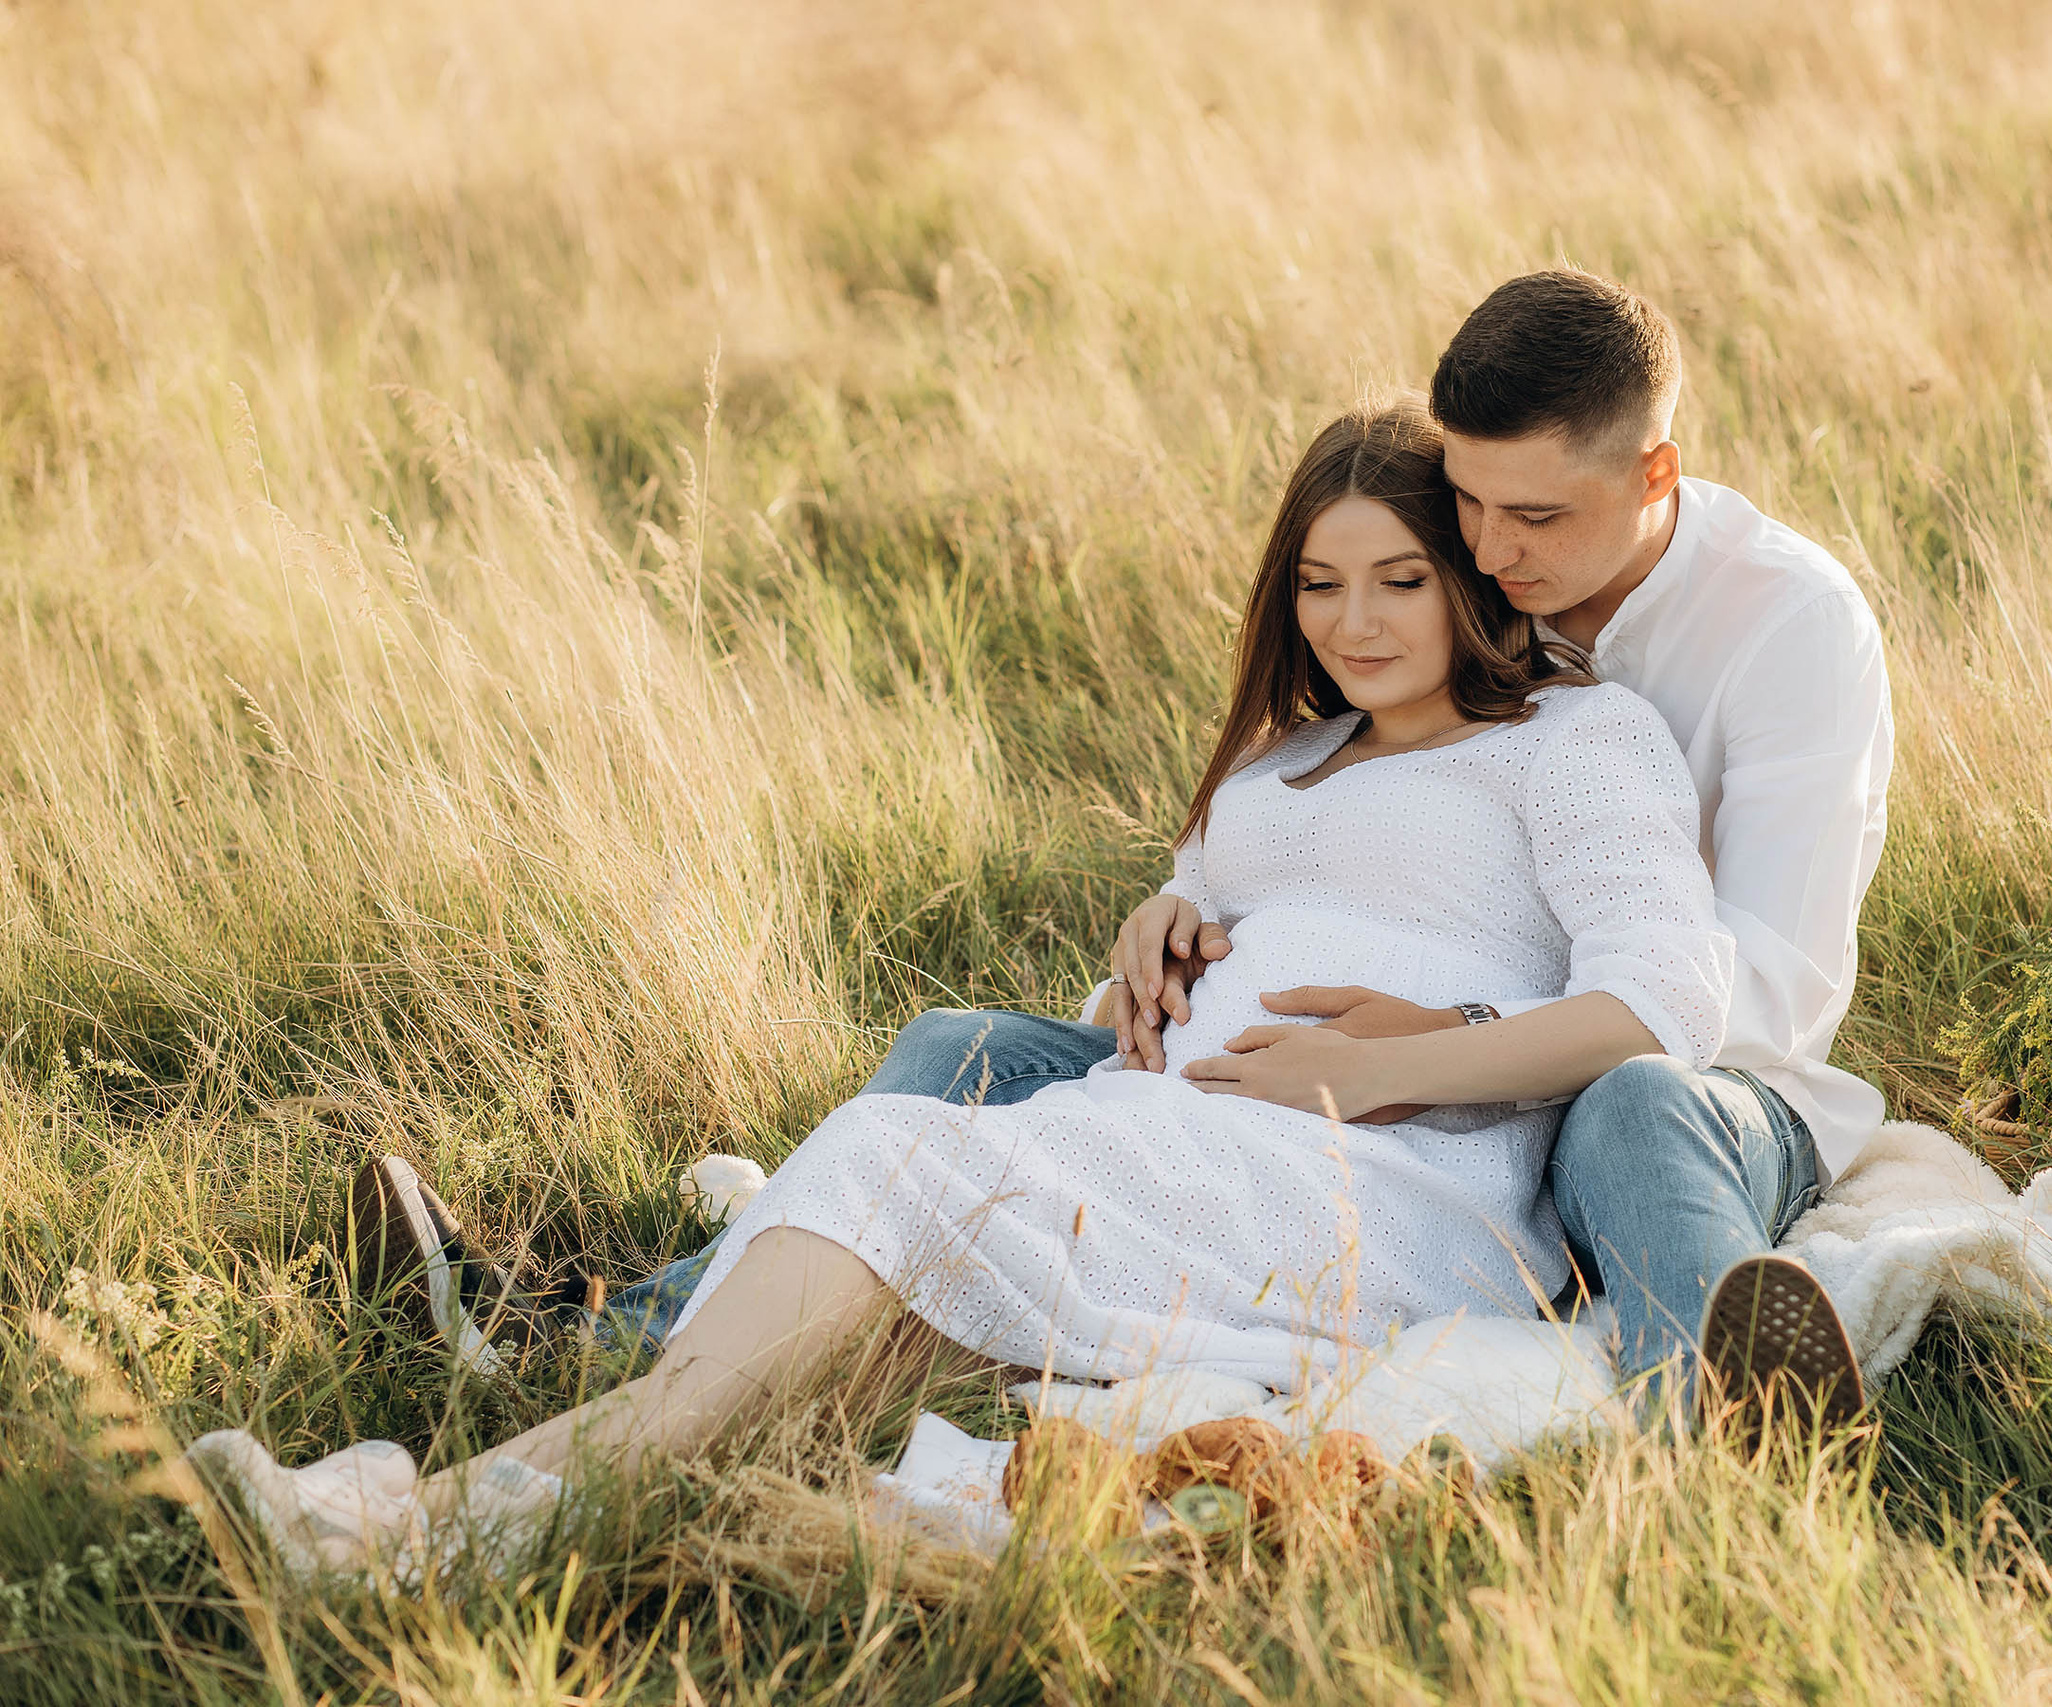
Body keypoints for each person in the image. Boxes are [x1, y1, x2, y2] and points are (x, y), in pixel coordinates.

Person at [193, 397, 1777, 1575]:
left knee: (890, 1179)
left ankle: (432, 1509)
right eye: (1317, 584)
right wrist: (1151, 927)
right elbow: (1168, 980)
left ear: (1469, 579)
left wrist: (1376, 1074)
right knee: (832, 1336)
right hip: (1155, 1142)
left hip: (1377, 1180)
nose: (1352, 623)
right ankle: (452, 1524)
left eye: (1399, 582)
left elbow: (1661, 1011)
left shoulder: (1571, 746)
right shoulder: (1276, 774)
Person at [364, 268, 1891, 1418]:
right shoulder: (1456, 628)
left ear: (1654, 479)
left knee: (1629, 1105)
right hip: (1364, 1068)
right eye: (1468, 509)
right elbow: (1376, 833)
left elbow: (1755, 999)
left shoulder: (1787, 630)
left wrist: (1444, 1040)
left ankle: (1733, 1409)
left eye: (1531, 522)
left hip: (1675, 1098)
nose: (1492, 554)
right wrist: (1183, 922)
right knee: (965, 1047)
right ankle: (580, 1342)